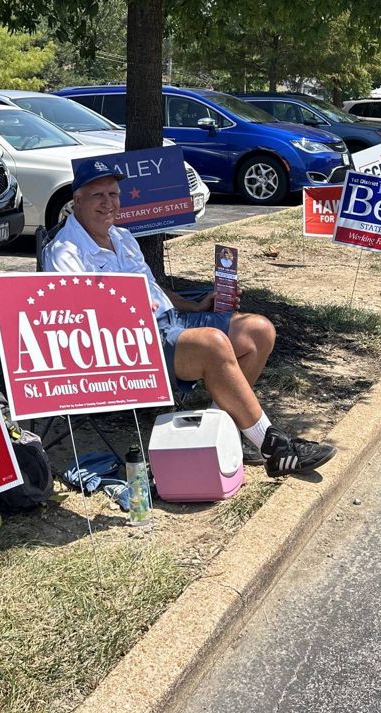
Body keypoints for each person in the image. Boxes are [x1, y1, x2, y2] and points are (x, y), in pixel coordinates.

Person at [45, 162, 337, 479]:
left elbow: (153, 289)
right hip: (128, 344)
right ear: (77, 200)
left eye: (113, 194)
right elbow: (77, 320)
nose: (108, 203)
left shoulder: (123, 237)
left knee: (258, 331)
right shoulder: (65, 252)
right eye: (97, 195)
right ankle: (274, 447)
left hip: (170, 321)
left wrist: (196, 304)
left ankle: (215, 435)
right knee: (213, 345)